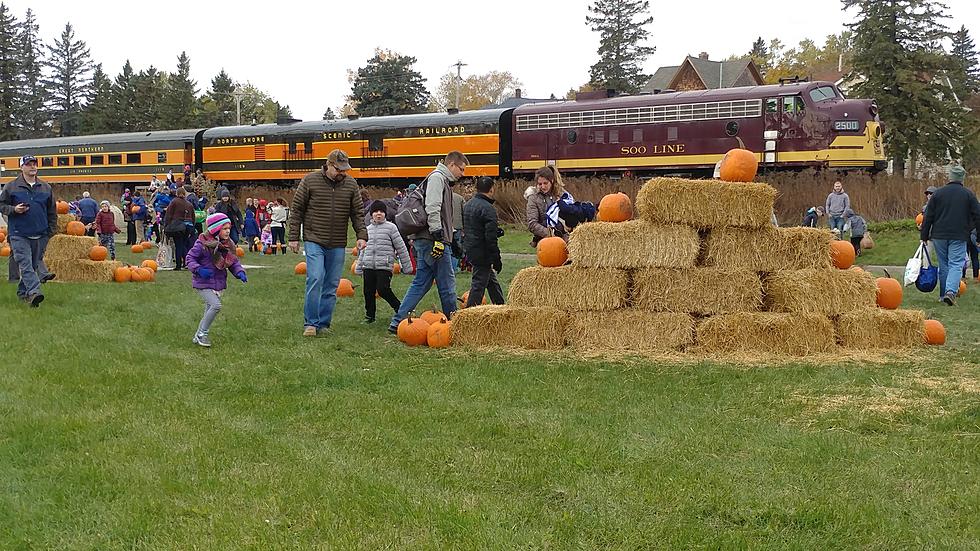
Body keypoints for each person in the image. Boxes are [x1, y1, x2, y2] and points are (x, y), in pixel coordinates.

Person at [289, 149, 367, 337]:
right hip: (314, 238)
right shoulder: (309, 180)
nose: (342, 173)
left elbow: (357, 212)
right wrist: (293, 237)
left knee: (332, 284)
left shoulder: (351, 184)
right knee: (315, 277)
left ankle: (323, 323)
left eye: (344, 170)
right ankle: (311, 323)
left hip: (338, 241)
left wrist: (361, 234)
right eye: (338, 169)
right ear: (329, 165)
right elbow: (297, 209)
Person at [388, 151, 468, 334]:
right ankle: (453, 324)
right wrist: (439, 237)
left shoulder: (441, 180)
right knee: (447, 283)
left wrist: (451, 237)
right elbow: (433, 208)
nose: (462, 174)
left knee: (421, 282)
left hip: (426, 239)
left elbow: (443, 215)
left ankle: (397, 321)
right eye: (461, 169)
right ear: (452, 165)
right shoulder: (438, 178)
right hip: (432, 239)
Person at [0, 155, 57, 306]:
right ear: (21, 167)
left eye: (34, 164)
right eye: (28, 164)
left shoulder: (46, 187)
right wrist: (13, 209)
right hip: (19, 234)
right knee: (25, 264)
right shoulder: (11, 186)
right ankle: (34, 292)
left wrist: (50, 231)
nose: (32, 166)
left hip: (41, 233)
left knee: (31, 266)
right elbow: (1, 205)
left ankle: (22, 293)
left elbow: (52, 211)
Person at [919, 165, 980, 305]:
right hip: (959, 235)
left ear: (950, 177)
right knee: (956, 263)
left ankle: (942, 295)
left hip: (939, 235)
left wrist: (924, 235)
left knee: (944, 264)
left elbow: (928, 216)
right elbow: (978, 215)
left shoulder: (938, 194)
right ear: (962, 179)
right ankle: (951, 292)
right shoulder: (968, 194)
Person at [186, 213, 247, 347]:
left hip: (217, 282)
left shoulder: (228, 245)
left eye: (229, 228)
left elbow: (233, 262)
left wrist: (239, 272)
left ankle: (198, 336)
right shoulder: (202, 244)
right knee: (216, 305)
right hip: (202, 282)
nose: (227, 231)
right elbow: (189, 259)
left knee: (209, 309)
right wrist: (199, 269)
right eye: (224, 228)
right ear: (215, 229)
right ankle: (203, 334)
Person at [356, 200, 414, 323]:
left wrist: (407, 266)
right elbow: (363, 249)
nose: (378, 214)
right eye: (376, 211)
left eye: (381, 212)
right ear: (371, 214)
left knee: (383, 289)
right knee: (368, 291)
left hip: (384, 265)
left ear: (385, 214)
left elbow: (401, 247)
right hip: (368, 265)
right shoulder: (367, 229)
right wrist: (359, 265)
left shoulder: (391, 228)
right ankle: (370, 316)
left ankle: (400, 308)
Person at [463, 176, 505, 307]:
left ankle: (501, 306)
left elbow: (474, 227)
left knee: (491, 281)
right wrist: (496, 259)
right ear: (491, 189)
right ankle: (469, 315)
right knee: (479, 285)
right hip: (483, 252)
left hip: (471, 248)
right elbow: (490, 239)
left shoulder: (468, 205)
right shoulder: (488, 209)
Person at [527, 165, 568, 245]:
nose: (543, 186)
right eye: (540, 184)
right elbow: (532, 224)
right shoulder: (533, 198)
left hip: (564, 237)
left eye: (545, 183)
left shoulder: (561, 194)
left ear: (552, 181)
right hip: (545, 240)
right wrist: (550, 233)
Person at [164, 187, 196, 271]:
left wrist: (166, 226)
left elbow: (169, 215)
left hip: (178, 226)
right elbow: (193, 217)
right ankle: (187, 262)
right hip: (188, 226)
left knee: (178, 245)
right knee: (184, 244)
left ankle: (179, 264)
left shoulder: (174, 201)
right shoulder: (189, 204)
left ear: (177, 193)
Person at [451, 190, 465, 272]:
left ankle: (449, 268)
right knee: (457, 247)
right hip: (458, 226)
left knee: (448, 248)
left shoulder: (442, 197)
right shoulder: (460, 198)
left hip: (446, 227)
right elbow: (464, 213)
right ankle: (454, 267)